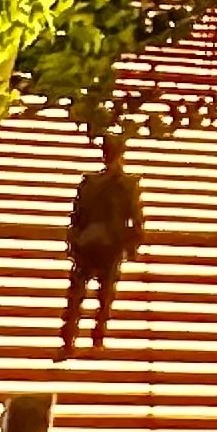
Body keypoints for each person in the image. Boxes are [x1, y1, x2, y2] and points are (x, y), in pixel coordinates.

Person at [60, 138, 144, 357]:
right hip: (111, 244)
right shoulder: (127, 184)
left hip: (87, 243)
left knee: (77, 293)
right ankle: (97, 337)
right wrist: (133, 246)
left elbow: (76, 216)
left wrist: (74, 241)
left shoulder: (89, 182)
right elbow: (135, 217)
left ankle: (69, 338)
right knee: (105, 295)